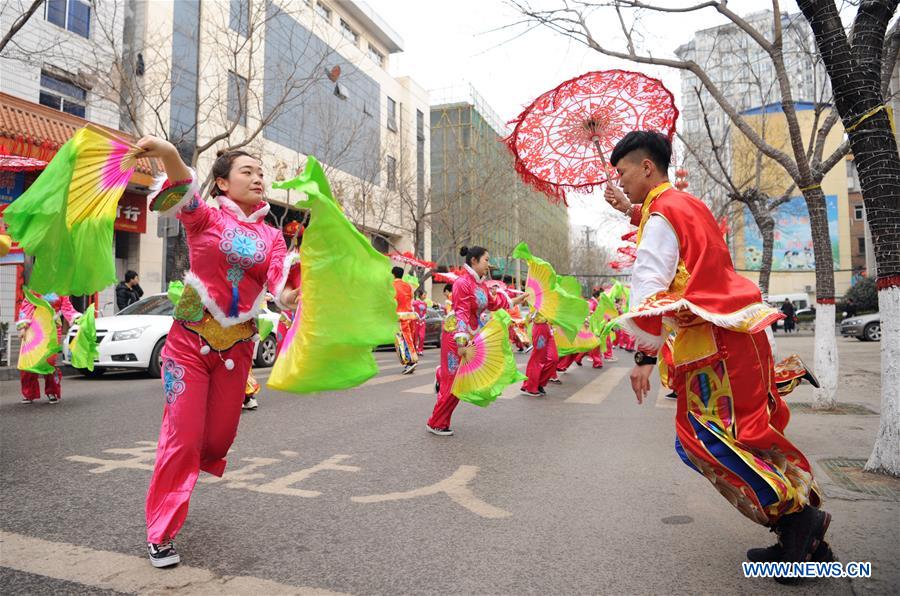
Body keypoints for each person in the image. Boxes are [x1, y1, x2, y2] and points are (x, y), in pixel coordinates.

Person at [604, 131, 831, 576]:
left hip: (716, 344)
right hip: (740, 334)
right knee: (747, 435)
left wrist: (643, 358)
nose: (620, 180)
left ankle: (796, 520)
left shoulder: (661, 215)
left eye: (623, 172)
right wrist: (632, 211)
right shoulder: (685, 204)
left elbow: (648, 285)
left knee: (699, 441)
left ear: (647, 167)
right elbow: (677, 239)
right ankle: (803, 537)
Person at [136, 137, 299, 569]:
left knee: (218, 440)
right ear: (223, 183)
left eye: (262, 173)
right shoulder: (203, 217)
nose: (259, 178)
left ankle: (183, 460)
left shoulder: (272, 236)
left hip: (238, 347)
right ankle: (161, 533)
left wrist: (292, 295)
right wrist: (168, 152)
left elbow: (280, 287)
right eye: (248, 171)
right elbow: (182, 186)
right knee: (184, 439)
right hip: (188, 344)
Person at [427, 246, 525, 435]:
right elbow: (462, 312)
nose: (489, 264)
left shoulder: (481, 285)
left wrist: (515, 301)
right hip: (455, 334)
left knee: (460, 378)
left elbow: (493, 303)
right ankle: (435, 423)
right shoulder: (462, 283)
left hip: (470, 333)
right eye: (486, 260)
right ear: (474, 260)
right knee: (455, 382)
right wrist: (462, 342)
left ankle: (442, 375)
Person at [17, 292, 80, 404]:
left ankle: (52, 391)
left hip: (53, 329)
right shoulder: (35, 288)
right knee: (30, 361)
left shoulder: (61, 290)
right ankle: (29, 393)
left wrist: (76, 318)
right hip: (34, 328)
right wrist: (23, 327)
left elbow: (67, 307)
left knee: (50, 361)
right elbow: (27, 306)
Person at [392, 267, 419, 374]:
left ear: (393, 274)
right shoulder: (408, 286)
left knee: (401, 341)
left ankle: (409, 362)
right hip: (409, 316)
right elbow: (411, 297)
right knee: (408, 339)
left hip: (399, 317)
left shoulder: (392, 286)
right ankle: (412, 360)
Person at [412, 288, 428, 357]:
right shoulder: (415, 302)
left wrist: (423, 317)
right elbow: (413, 310)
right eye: (424, 295)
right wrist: (417, 316)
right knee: (415, 336)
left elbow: (425, 312)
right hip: (416, 321)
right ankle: (414, 349)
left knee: (422, 336)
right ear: (420, 295)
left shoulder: (425, 303)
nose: (425, 296)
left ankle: (420, 350)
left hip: (422, 322)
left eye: (425, 295)